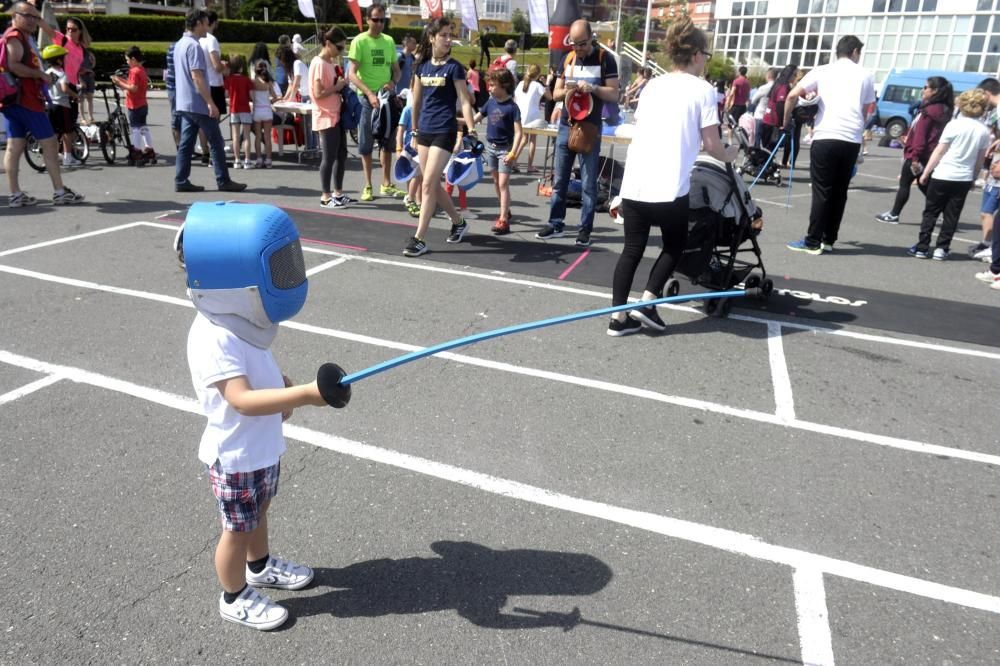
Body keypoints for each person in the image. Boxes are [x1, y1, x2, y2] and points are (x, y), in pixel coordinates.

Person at [180, 201, 352, 632]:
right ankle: (233, 596)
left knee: (260, 513)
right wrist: (306, 394)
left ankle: (259, 566)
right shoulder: (212, 335)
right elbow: (239, 398)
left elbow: (259, 375)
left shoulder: (239, 320)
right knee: (235, 530)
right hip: (236, 456)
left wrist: (283, 388)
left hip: (261, 448)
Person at [607, 17, 738, 337]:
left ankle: (617, 318)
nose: (706, 61)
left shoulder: (654, 84)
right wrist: (730, 154)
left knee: (632, 249)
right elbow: (711, 144)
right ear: (695, 54)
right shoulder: (704, 91)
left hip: (636, 179)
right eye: (706, 55)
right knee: (675, 243)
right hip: (668, 184)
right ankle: (647, 300)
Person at [784, 35, 875, 254]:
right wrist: (858, 130)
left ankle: (812, 240)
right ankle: (829, 238)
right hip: (851, 139)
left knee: (822, 190)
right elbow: (865, 109)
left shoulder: (822, 71)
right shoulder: (866, 75)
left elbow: (792, 95)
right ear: (854, 51)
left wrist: (785, 121)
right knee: (839, 191)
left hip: (826, 135)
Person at [535, 19, 619, 247]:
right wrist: (569, 89)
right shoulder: (568, 58)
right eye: (574, 43)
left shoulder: (605, 59)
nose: (578, 48)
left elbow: (614, 94)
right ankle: (555, 223)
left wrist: (594, 88)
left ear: (592, 38)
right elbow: (556, 94)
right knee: (560, 179)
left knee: (589, 183)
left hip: (590, 128)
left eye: (582, 43)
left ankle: (585, 230)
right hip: (566, 125)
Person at [403, 16, 477, 257]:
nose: (448, 39)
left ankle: (419, 238)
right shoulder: (421, 66)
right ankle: (458, 221)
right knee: (432, 184)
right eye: (443, 35)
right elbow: (416, 101)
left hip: (444, 130)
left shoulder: (454, 67)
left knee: (427, 184)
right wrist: (413, 130)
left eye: (449, 34)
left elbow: (464, 101)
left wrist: (472, 130)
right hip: (424, 130)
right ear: (432, 38)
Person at [2, 3, 84, 207]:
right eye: (28, 16)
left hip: (15, 100)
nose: (33, 20)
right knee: (49, 144)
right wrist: (39, 74)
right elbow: (13, 65)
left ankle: (15, 194)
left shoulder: (20, 36)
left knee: (15, 146)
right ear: (15, 15)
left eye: (36, 17)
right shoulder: (15, 37)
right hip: (27, 100)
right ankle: (59, 191)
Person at [908, 89, 992, 260]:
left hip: (943, 173)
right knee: (952, 214)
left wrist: (926, 172)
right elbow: (979, 159)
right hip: (963, 177)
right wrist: (974, 178)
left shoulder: (954, 125)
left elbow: (939, 151)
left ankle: (922, 247)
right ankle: (942, 248)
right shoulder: (983, 131)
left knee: (931, 212)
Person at [173, 8, 245, 193]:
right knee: (216, 141)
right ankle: (223, 180)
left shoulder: (180, 44)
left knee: (187, 143)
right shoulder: (194, 46)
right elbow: (197, 76)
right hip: (197, 103)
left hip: (184, 102)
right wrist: (210, 103)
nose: (207, 27)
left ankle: (181, 180)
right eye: (205, 23)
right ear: (197, 24)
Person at [874, 76, 954, 224]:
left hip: (917, 154)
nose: (922, 91)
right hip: (930, 153)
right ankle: (942, 209)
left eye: (925, 88)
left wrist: (915, 157)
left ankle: (894, 214)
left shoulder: (929, 110)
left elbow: (921, 135)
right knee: (925, 184)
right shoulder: (945, 110)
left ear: (935, 91)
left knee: (905, 184)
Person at [348, 3, 404, 202]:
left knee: (387, 143)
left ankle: (386, 183)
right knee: (366, 144)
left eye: (382, 20)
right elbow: (351, 74)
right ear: (367, 20)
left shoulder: (388, 41)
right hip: (366, 100)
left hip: (385, 100)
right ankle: (368, 185)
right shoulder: (359, 41)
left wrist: (392, 82)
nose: (379, 24)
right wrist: (369, 94)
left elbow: (396, 70)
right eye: (375, 20)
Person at [474, 68, 522, 235]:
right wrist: (457, 122)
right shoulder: (490, 103)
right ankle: (505, 209)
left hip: (505, 150)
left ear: (505, 86)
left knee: (502, 184)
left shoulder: (512, 107)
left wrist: (513, 153)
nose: (490, 88)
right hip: (490, 148)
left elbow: (519, 134)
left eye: (493, 85)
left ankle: (503, 220)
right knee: (496, 182)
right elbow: (474, 119)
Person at [310, 27, 352, 209]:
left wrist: (339, 85)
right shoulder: (319, 63)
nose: (340, 51)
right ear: (328, 44)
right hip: (325, 116)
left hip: (335, 114)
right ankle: (325, 196)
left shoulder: (329, 63)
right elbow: (318, 93)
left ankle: (338, 193)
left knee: (341, 155)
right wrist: (338, 86)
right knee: (329, 157)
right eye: (339, 48)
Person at [110, 46, 156, 166]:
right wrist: (122, 81)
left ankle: (136, 151)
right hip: (143, 104)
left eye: (127, 60)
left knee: (135, 129)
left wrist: (119, 83)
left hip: (134, 105)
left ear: (133, 59)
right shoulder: (141, 70)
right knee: (143, 127)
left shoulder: (134, 71)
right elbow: (132, 85)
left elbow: (133, 88)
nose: (127, 62)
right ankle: (149, 149)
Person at [42, 44, 78, 167]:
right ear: (58, 60)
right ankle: (68, 157)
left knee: (54, 133)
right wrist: (75, 95)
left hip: (49, 105)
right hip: (62, 105)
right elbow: (64, 88)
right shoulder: (62, 73)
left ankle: (51, 157)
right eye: (63, 57)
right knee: (67, 132)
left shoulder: (47, 72)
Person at [198, 11, 226, 165]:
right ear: (214, 22)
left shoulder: (198, 39)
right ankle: (215, 153)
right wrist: (225, 66)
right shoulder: (211, 40)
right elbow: (216, 65)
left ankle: (205, 152)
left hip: (202, 82)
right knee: (214, 121)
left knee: (203, 121)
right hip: (214, 83)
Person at [513, 63, 550, 172]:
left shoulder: (520, 84)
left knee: (522, 139)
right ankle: (529, 165)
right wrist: (546, 84)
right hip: (533, 116)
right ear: (538, 75)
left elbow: (515, 99)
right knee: (532, 140)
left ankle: (513, 160)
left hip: (521, 114)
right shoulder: (538, 85)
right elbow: (550, 97)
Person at [223, 55, 254, 169]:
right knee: (246, 136)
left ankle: (237, 160)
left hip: (233, 110)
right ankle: (247, 160)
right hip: (245, 109)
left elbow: (226, 94)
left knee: (235, 136)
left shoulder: (228, 80)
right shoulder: (247, 80)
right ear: (241, 68)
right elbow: (251, 96)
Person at [395, 89, 421, 217]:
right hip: (409, 147)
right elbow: (400, 131)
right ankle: (411, 198)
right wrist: (399, 148)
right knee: (410, 175)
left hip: (422, 147)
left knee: (419, 175)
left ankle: (418, 200)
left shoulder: (426, 110)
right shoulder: (407, 110)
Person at [760, 63, 797, 152]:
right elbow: (780, 105)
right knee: (770, 149)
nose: (795, 77)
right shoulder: (783, 86)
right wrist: (783, 122)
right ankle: (765, 165)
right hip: (774, 121)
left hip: (767, 118)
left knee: (766, 148)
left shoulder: (777, 83)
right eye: (794, 75)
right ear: (789, 75)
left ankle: (763, 164)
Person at [251, 61, 277, 168]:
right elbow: (274, 97)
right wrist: (270, 100)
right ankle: (269, 160)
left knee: (258, 136)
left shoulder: (253, 82)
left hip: (257, 110)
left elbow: (251, 97)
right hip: (267, 110)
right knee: (267, 137)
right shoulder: (269, 82)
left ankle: (259, 159)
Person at [749, 67, 775, 149]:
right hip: (771, 116)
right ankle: (765, 158)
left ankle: (756, 157)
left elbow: (753, 100)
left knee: (757, 138)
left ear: (768, 76)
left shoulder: (764, 88)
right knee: (767, 140)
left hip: (760, 114)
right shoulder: (778, 88)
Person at [165, 39, 181, 147]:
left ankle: (180, 146)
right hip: (175, 86)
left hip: (173, 86)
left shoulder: (173, 46)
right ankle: (180, 147)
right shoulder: (176, 47)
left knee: (177, 117)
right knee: (177, 117)